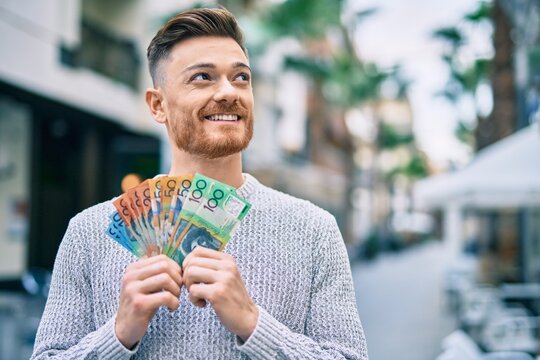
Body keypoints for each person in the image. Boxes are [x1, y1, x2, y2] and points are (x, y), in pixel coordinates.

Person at [31, 7, 368, 359]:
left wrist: (254, 324)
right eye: (203, 77)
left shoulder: (314, 231)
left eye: (241, 78)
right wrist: (118, 334)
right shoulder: (88, 233)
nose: (229, 92)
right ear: (157, 104)